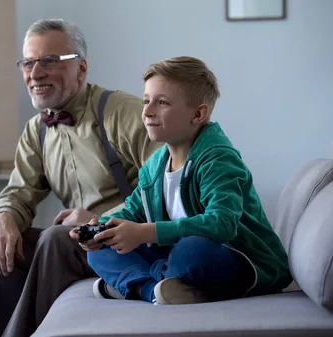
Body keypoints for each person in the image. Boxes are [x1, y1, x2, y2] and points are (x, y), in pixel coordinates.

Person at [0, 19, 162, 337]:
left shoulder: (122, 114)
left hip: (130, 242)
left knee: (57, 239)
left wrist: (100, 219)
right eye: (29, 63)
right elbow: (19, 190)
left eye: (49, 61)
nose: (35, 74)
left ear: (81, 68)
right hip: (80, 243)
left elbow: (165, 190)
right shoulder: (37, 130)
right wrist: (4, 216)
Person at [70, 56, 292, 305]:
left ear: (198, 114)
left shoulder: (217, 158)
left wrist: (146, 232)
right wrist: (99, 230)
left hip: (238, 259)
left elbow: (222, 224)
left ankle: (136, 285)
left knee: (191, 251)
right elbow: (133, 212)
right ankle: (157, 289)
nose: (147, 111)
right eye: (146, 101)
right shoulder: (154, 166)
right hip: (173, 256)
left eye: (162, 102)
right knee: (100, 253)